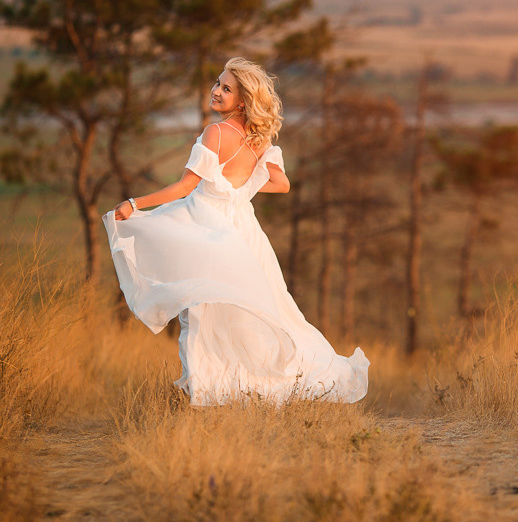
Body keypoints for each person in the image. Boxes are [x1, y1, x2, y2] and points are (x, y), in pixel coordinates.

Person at [102, 57, 369, 407]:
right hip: (245, 230)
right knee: (259, 309)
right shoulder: (259, 139)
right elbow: (281, 183)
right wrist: (239, 190)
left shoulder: (216, 132)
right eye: (217, 83)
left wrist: (135, 205)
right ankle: (247, 387)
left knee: (206, 310)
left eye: (226, 89)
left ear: (242, 100)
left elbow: (185, 187)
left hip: (209, 228)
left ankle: (214, 390)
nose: (216, 91)